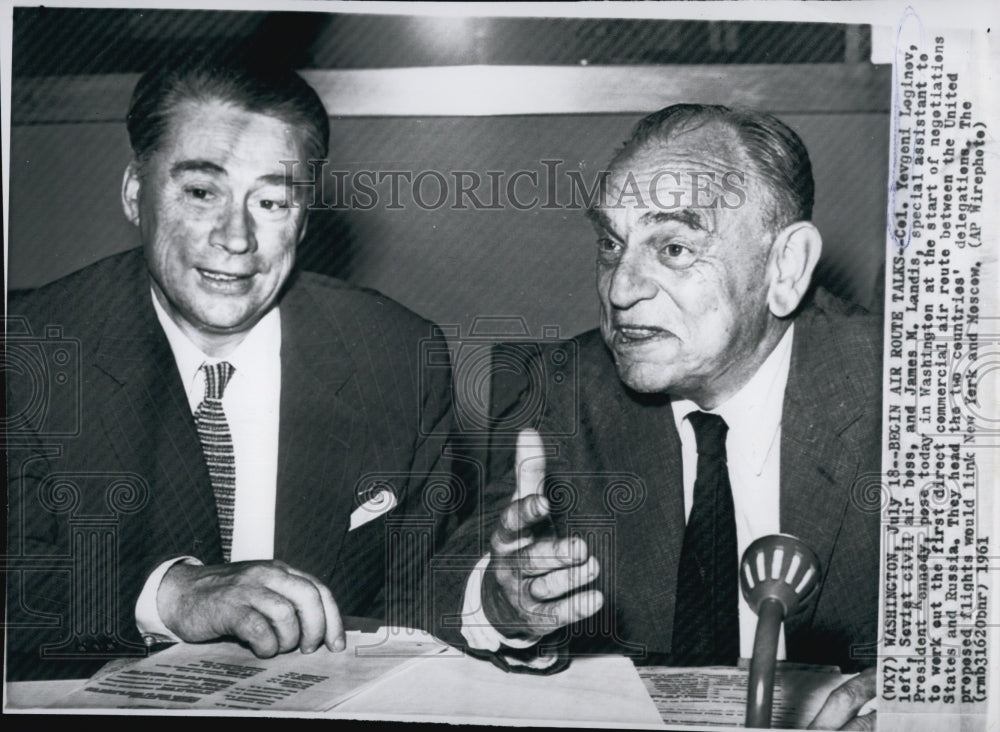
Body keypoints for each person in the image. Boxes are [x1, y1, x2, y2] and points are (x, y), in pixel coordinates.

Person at [430, 104, 881, 730]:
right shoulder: (560, 389)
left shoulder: (909, 398)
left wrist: (938, 690)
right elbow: (435, 593)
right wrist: (501, 601)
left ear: (787, 267)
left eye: (673, 247)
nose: (620, 290)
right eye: (612, 244)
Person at [5, 55, 455, 681]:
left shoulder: (399, 357)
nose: (236, 237)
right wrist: (172, 594)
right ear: (136, 192)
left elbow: (421, 596)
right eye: (200, 192)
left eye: (271, 201)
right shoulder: (26, 351)